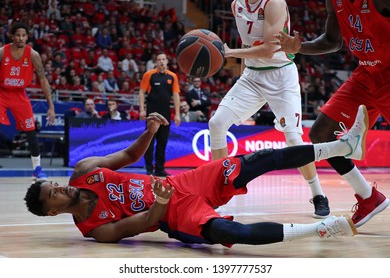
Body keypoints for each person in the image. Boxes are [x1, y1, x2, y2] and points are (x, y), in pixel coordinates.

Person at [24, 105, 369, 246]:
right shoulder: (96, 230)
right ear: (53, 210)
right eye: (52, 193)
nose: (58, 188)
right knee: (230, 232)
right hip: (173, 214)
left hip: (182, 183)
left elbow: (129, 156)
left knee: (258, 160)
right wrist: (160, 203)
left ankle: (343, 147)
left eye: (53, 184)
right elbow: (146, 222)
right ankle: (323, 228)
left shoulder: (84, 172)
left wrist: (149, 131)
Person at [273, 0, 390, 228]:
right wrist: (300, 47)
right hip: (366, 75)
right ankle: (369, 197)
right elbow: (332, 41)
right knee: (320, 134)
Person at [208, 0, 329, 218]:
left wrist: (229, 53)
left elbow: (269, 50)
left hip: (281, 76)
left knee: (293, 139)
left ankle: (318, 194)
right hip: (252, 77)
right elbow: (248, 46)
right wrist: (243, 75)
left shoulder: (274, 3)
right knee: (216, 124)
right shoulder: (237, 5)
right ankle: (218, 190)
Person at [0, 22, 55, 181]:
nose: (21, 38)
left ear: (27, 37)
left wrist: (51, 106)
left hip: (19, 95)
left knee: (30, 130)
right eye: (18, 35)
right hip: (2, 93)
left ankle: (37, 169)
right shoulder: (3, 52)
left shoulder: (33, 55)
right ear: (12, 36)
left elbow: (43, 80)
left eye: (24, 35)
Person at [138, 52, 181, 177]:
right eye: (159, 59)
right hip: (152, 112)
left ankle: (160, 169)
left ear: (167, 61)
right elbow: (142, 92)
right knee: (149, 141)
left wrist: (177, 113)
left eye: (163, 59)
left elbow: (176, 95)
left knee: (162, 142)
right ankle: (149, 168)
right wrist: (142, 109)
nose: (161, 61)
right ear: (156, 62)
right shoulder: (149, 75)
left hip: (166, 113)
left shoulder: (173, 76)